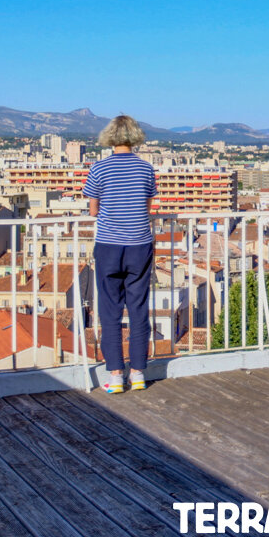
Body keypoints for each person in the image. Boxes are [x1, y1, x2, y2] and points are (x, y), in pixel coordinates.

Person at [83, 114, 158, 393]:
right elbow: (148, 207)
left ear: (110, 138)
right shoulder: (145, 168)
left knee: (110, 310)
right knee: (138, 309)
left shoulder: (99, 169)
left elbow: (93, 210)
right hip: (139, 244)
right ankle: (137, 373)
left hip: (109, 245)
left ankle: (115, 375)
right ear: (135, 137)